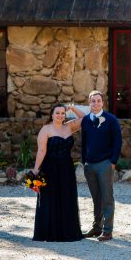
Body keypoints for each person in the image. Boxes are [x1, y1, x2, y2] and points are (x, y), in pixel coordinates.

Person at [32, 103, 85, 242]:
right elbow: (42, 151)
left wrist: (72, 108)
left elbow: (85, 118)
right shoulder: (46, 129)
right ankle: (49, 232)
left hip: (67, 168)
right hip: (49, 168)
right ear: (52, 114)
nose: (60, 115)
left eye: (63, 113)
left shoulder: (69, 126)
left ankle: (66, 230)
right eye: (57, 113)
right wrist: (36, 170)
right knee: (49, 199)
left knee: (67, 197)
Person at [81, 91, 122, 242]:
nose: (96, 103)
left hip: (105, 163)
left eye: (98, 101)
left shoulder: (111, 120)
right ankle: (96, 227)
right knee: (95, 197)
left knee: (107, 197)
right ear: (89, 103)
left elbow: (117, 141)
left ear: (102, 103)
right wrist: (84, 160)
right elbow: (84, 142)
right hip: (89, 165)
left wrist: (113, 162)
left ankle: (107, 230)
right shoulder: (85, 120)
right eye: (93, 101)